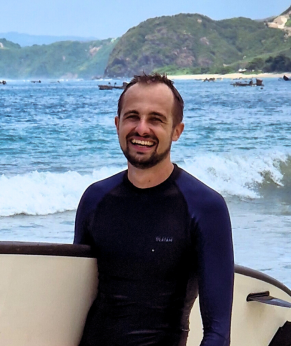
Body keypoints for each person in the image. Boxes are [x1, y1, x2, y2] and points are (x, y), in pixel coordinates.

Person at [74, 73, 234, 346]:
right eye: (132, 116)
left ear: (176, 131)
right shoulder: (95, 199)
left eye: (156, 119)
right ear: (117, 124)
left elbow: (218, 333)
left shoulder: (205, 207)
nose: (142, 129)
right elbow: (74, 303)